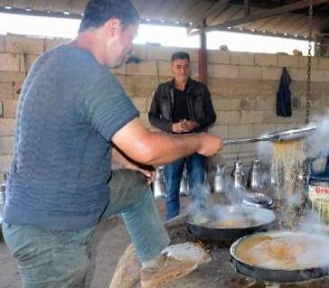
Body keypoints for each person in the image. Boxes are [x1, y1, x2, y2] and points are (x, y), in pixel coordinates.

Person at [1, 0, 223, 287]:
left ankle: (155, 261)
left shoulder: (52, 60)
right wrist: (199, 141)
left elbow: (83, 129)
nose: (132, 48)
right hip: (50, 228)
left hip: (66, 197)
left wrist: (127, 160)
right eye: (131, 37)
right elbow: (147, 147)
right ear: (113, 27)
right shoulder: (91, 75)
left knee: (134, 187)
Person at [148, 51, 216, 220]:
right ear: (172, 68)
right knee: (172, 186)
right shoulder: (162, 90)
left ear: (189, 67)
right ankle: (172, 223)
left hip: (195, 143)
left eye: (186, 66)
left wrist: (195, 124)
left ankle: (200, 222)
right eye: (178, 67)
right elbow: (152, 117)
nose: (182, 70)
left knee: (198, 185)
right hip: (173, 143)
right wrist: (171, 126)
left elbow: (211, 116)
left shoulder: (200, 89)